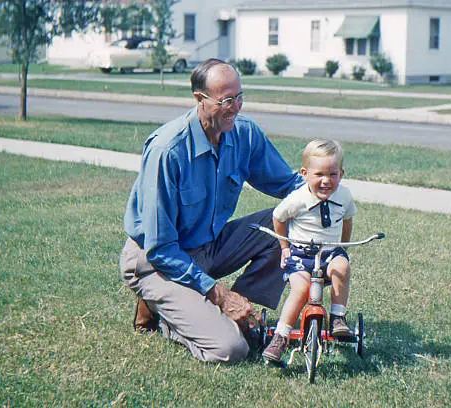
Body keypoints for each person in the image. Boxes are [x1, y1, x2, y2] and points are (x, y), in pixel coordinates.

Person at [119, 58, 302, 363]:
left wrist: (323, 195)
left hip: (209, 246)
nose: (236, 107)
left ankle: (246, 316)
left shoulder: (245, 134)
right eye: (226, 100)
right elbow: (160, 247)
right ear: (199, 100)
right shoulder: (167, 151)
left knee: (289, 220)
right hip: (158, 261)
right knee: (230, 349)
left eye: (239, 97)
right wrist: (219, 294)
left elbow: (288, 184)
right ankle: (163, 314)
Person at [262, 139, 357, 364]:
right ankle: (281, 336)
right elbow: (278, 217)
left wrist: (343, 247)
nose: (326, 181)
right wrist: (285, 248)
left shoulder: (344, 196)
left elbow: (348, 218)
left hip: (329, 252)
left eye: (333, 174)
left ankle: (337, 318)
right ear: (305, 173)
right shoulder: (298, 198)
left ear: (341, 174)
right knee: (301, 287)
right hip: (301, 254)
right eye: (319, 175)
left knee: (342, 266)